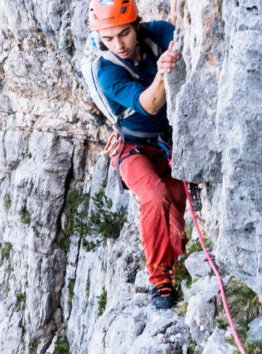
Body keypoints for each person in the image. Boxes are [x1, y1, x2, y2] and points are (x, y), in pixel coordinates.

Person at [89, 0, 186, 309]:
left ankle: (177, 262)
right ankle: (160, 281)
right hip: (132, 149)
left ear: (137, 25)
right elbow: (149, 104)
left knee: (176, 209)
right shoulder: (107, 70)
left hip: (166, 142)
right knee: (155, 196)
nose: (118, 45)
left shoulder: (157, 34)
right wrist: (160, 75)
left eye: (124, 34)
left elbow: (182, 34)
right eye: (108, 39)